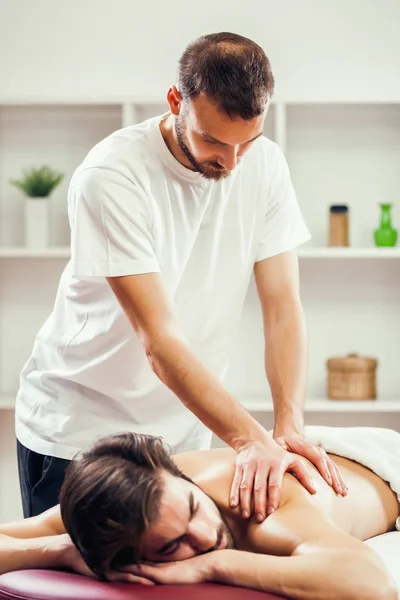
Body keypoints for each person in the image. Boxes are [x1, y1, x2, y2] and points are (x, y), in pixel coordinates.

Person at [15, 31, 346, 521]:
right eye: (213, 140)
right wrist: (250, 440)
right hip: (80, 432)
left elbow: (282, 309)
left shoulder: (268, 165)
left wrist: (287, 427)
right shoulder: (113, 175)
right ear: (176, 101)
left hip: (181, 434)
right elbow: (159, 340)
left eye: (246, 143)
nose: (231, 163)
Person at [0, 428, 398, 600]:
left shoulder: (264, 510)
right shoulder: (116, 506)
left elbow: (371, 585)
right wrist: (62, 551)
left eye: (194, 508)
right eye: (172, 545)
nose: (206, 536)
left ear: (179, 475)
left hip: (382, 463)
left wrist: (216, 565)